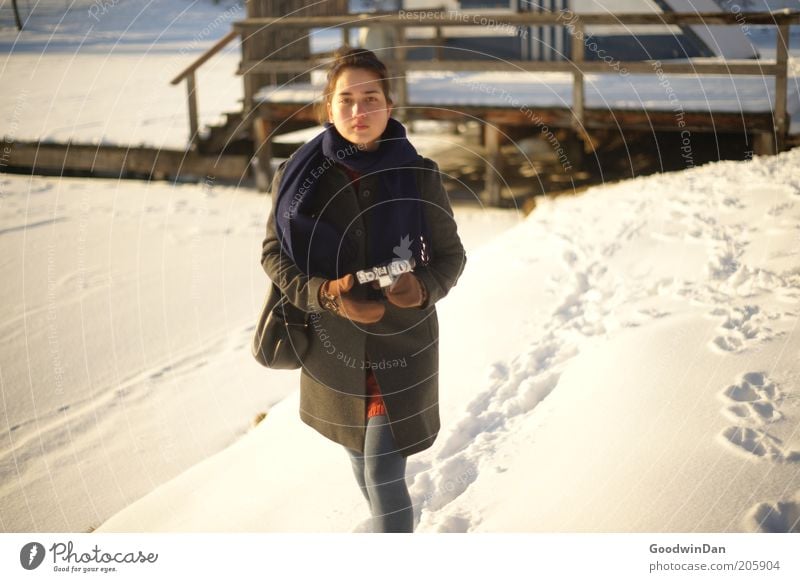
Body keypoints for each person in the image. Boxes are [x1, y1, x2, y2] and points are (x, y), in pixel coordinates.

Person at [260, 46, 466, 532]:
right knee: (358, 458)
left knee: (381, 467)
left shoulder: (420, 174)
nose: (359, 111)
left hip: (405, 346)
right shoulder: (298, 176)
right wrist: (328, 293)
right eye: (346, 99)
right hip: (334, 350)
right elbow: (274, 255)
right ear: (328, 108)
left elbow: (450, 257)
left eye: (370, 97)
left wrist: (422, 288)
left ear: (389, 105)